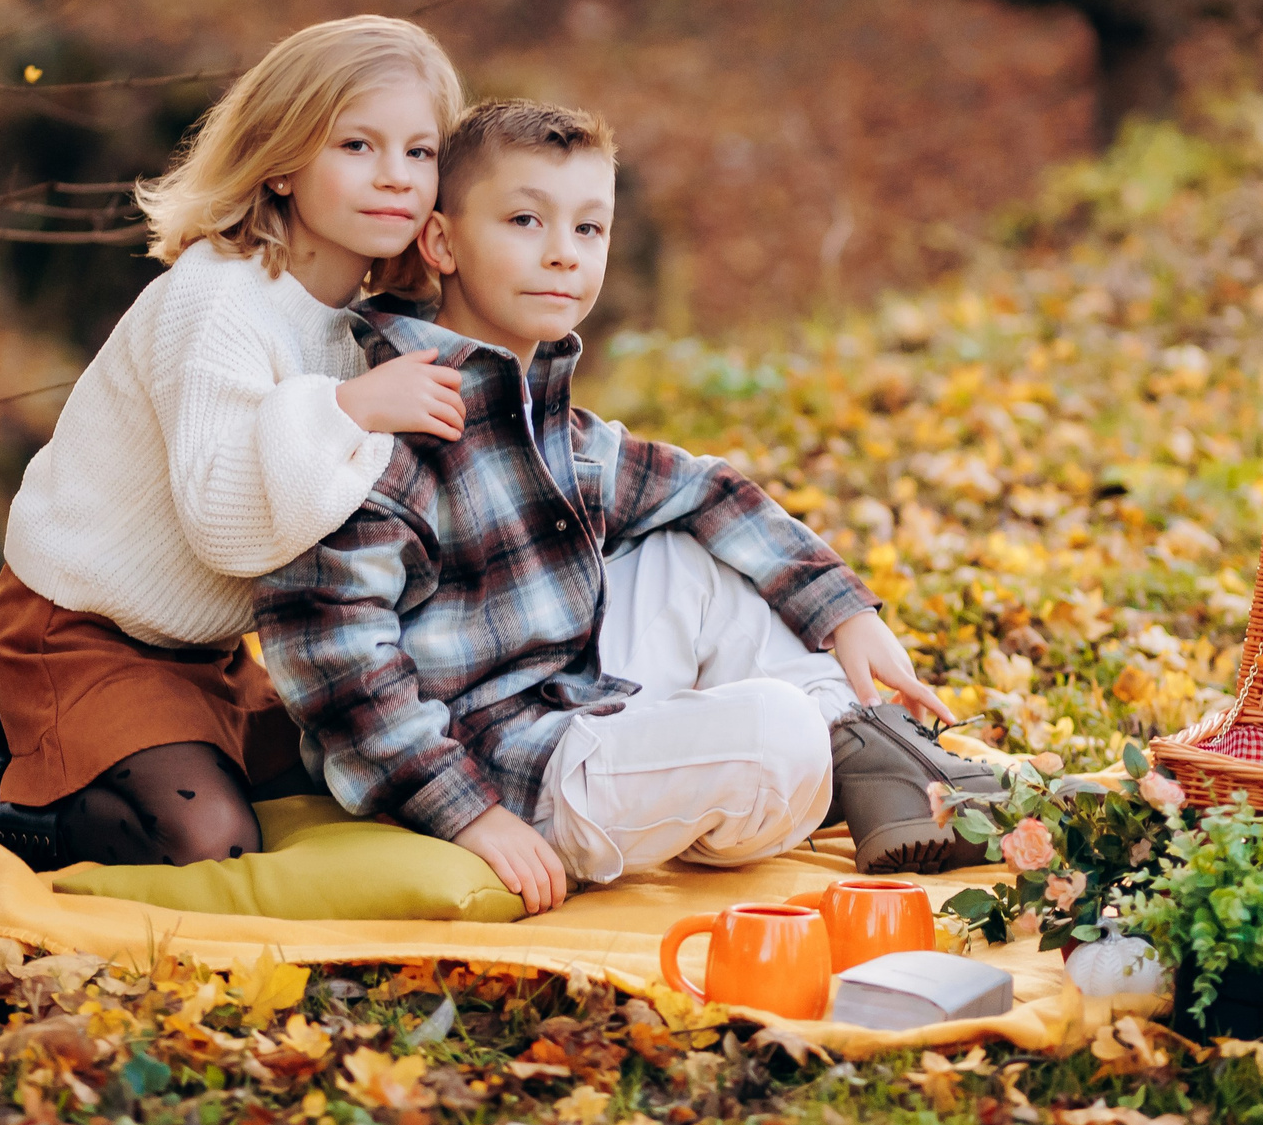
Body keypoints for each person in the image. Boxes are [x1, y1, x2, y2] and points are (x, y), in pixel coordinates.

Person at [256, 99, 998, 914]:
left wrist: (846, 612)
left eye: (588, 228)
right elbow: (336, 657)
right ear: (441, 242)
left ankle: (875, 758)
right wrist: (469, 815)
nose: (562, 253)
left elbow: (704, 488)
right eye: (526, 220)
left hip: (572, 700)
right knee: (777, 731)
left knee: (694, 556)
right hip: (502, 775)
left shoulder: (536, 410)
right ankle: (841, 755)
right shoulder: (385, 416)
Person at [0, 16, 471, 881]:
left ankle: (98, 747)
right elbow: (225, 525)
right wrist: (347, 410)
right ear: (283, 161)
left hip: (208, 654)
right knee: (203, 838)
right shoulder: (218, 300)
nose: (395, 176)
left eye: (420, 151)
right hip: (81, 630)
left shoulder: (374, 327)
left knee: (354, 784)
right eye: (357, 145)